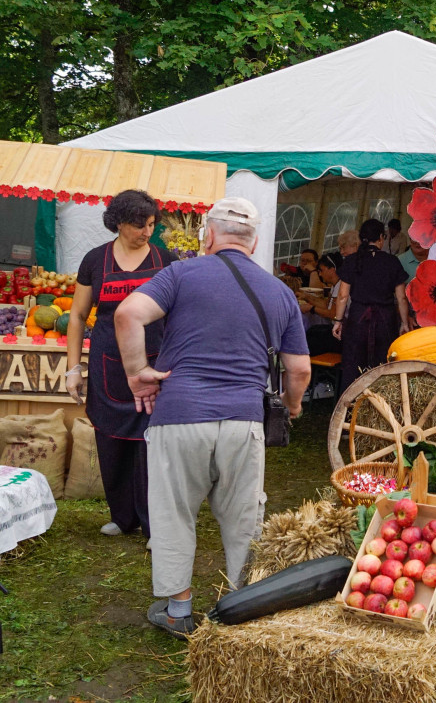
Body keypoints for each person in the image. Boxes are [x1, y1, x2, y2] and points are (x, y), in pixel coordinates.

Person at [114, 197, 310, 639]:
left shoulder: (180, 273)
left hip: (178, 415)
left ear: (207, 236)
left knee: (173, 512)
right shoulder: (279, 292)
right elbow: (299, 369)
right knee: (244, 517)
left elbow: (128, 314)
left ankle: (178, 610)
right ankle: (243, 605)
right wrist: (293, 407)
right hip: (243, 420)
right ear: (255, 242)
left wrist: (137, 374)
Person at [65, 189, 177, 539]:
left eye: (151, 224)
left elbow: (179, 316)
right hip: (107, 365)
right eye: (139, 225)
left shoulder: (166, 260)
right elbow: (78, 316)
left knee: (150, 445)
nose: (147, 232)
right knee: (110, 440)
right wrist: (73, 368)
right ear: (118, 223)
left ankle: (152, 523)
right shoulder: (95, 260)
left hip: (154, 366)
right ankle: (122, 516)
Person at [331, 219, 410, 394]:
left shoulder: (352, 261)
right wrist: (404, 323)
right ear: (381, 238)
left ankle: (351, 405)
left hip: (358, 320)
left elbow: (342, 296)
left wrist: (338, 321)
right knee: (384, 363)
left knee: (353, 363)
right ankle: (382, 404)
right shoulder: (392, 262)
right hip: (385, 320)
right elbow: (402, 298)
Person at [302, 252, 344, 355]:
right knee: (311, 331)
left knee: (310, 336)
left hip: (340, 333)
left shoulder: (342, 287)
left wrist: (311, 308)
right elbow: (327, 305)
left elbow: (333, 314)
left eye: (321, 270)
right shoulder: (336, 285)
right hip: (335, 329)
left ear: (332, 269)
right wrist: (307, 297)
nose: (320, 274)